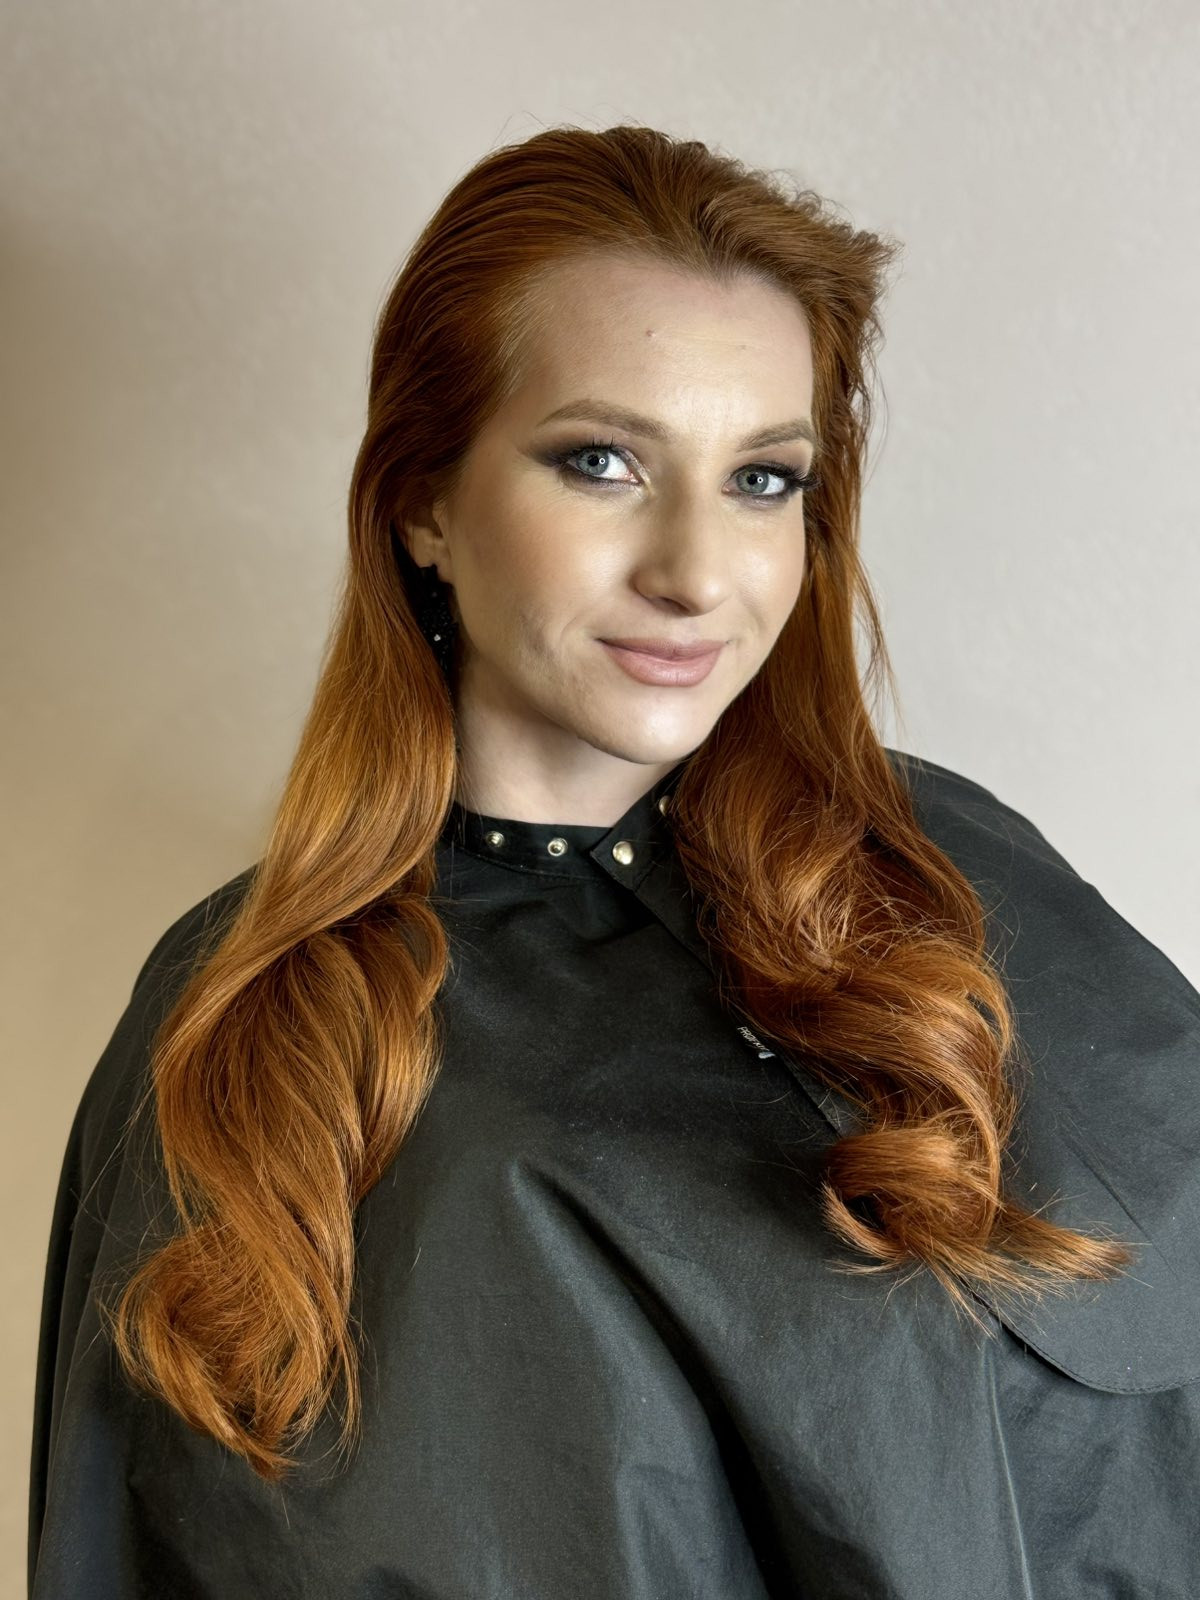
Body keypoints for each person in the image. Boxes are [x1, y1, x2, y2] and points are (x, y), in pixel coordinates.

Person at [28, 123, 1200, 1599]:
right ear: (425, 500)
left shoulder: (947, 865)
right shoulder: (253, 1021)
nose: (696, 572)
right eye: (601, 462)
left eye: (763, 478)